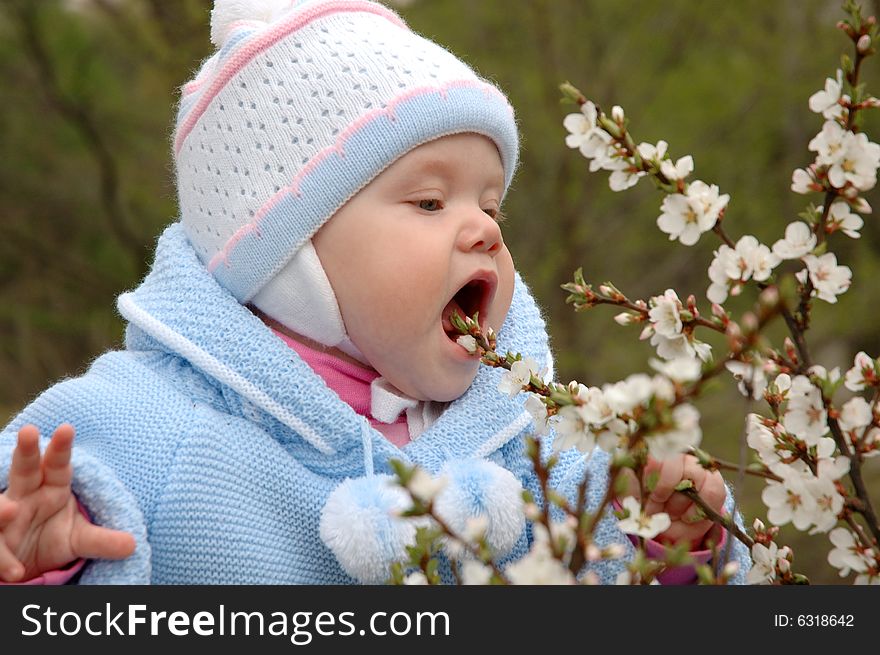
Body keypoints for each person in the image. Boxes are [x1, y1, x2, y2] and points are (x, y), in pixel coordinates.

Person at [0, 0, 750, 585]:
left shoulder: (534, 433)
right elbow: (47, 514)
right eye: (429, 203)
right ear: (289, 257)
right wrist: (44, 563)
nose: (483, 231)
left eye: (491, 206)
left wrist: (678, 543)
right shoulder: (151, 426)